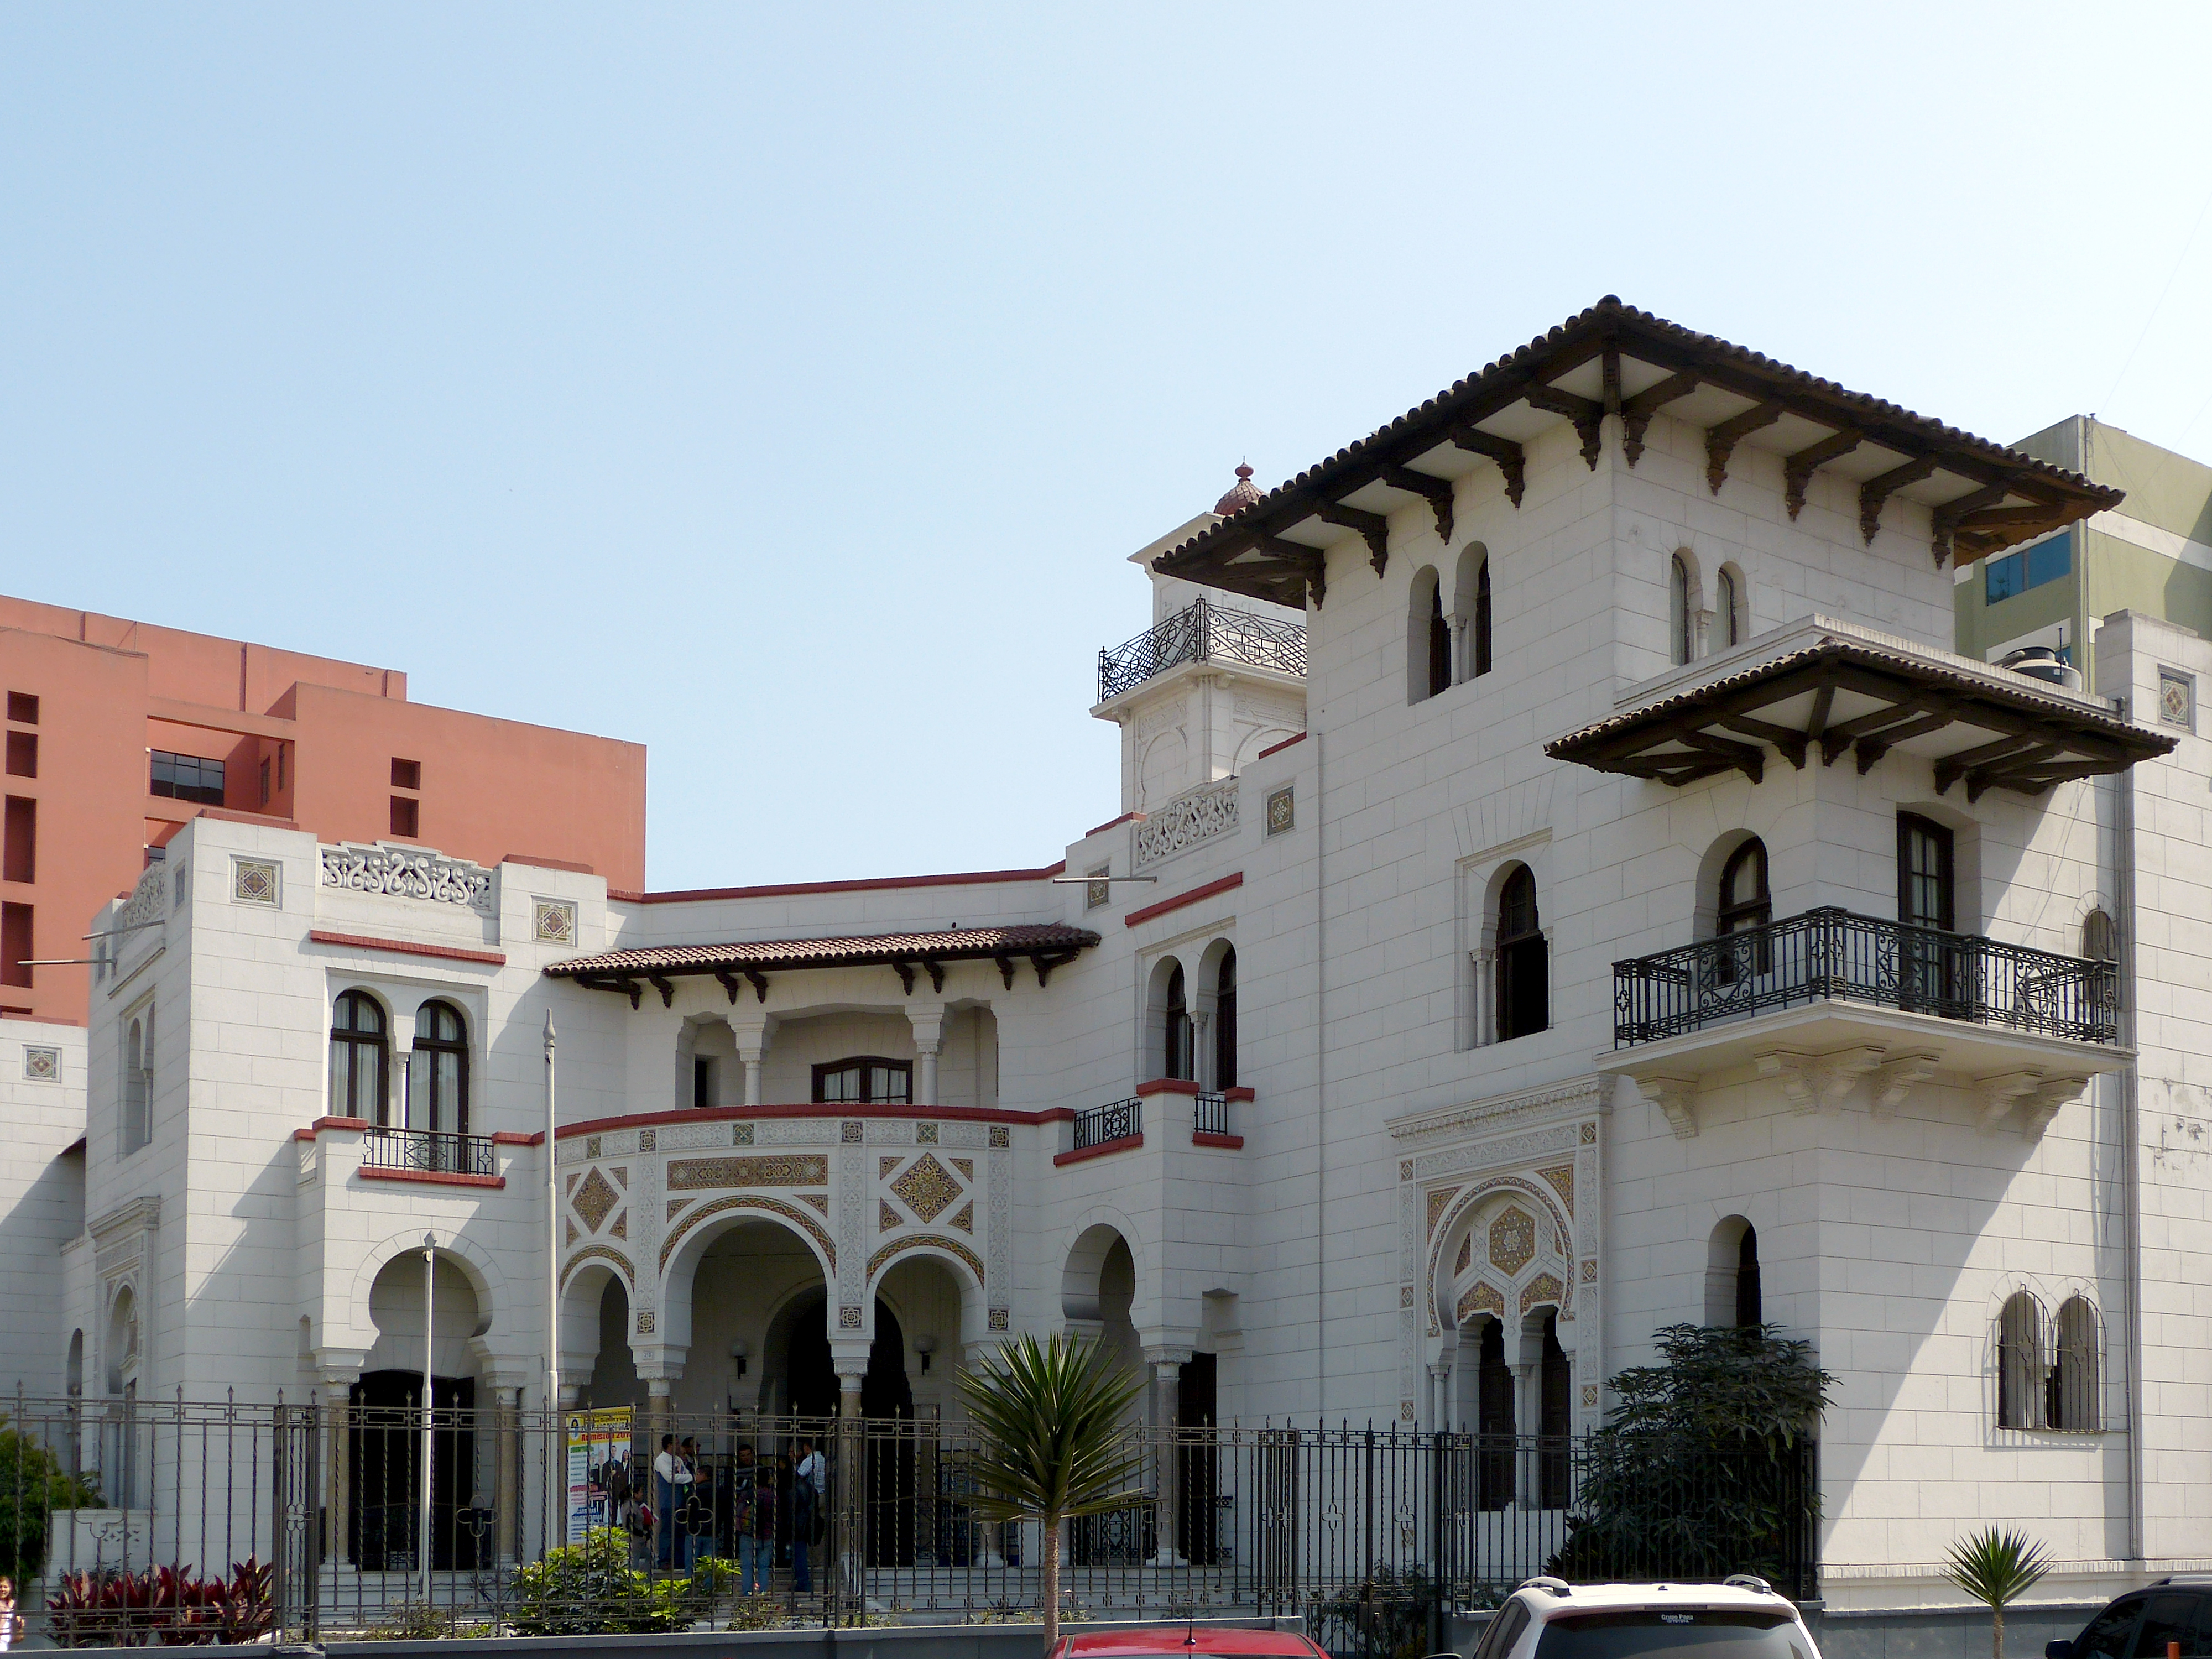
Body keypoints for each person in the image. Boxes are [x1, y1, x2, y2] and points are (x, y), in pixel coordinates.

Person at [731, 1443, 776, 1594]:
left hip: (748, 1533)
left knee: (747, 1566)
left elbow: (738, 1512)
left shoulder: (746, 1495)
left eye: (748, 1455)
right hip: (767, 1534)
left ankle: (746, 1594)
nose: (745, 1458)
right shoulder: (772, 1496)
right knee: (763, 1567)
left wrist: (740, 1528)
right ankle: (762, 1594)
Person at [652, 1432, 695, 1571]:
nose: (678, 1446)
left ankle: (679, 1560)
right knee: (667, 1531)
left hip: (681, 1501)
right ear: (670, 1445)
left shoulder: (678, 1460)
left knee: (680, 1532)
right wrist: (690, 1478)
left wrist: (687, 1477)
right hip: (668, 1502)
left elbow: (685, 1474)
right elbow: (671, 1478)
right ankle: (664, 1559)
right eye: (676, 1443)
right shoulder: (662, 1460)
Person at [791, 1435, 826, 1592]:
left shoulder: (810, 1460)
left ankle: (811, 1561)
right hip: (822, 1494)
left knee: (807, 1529)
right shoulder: (823, 1459)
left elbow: (799, 1476)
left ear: (806, 1447)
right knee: (819, 1528)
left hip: (811, 1497)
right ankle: (819, 1560)